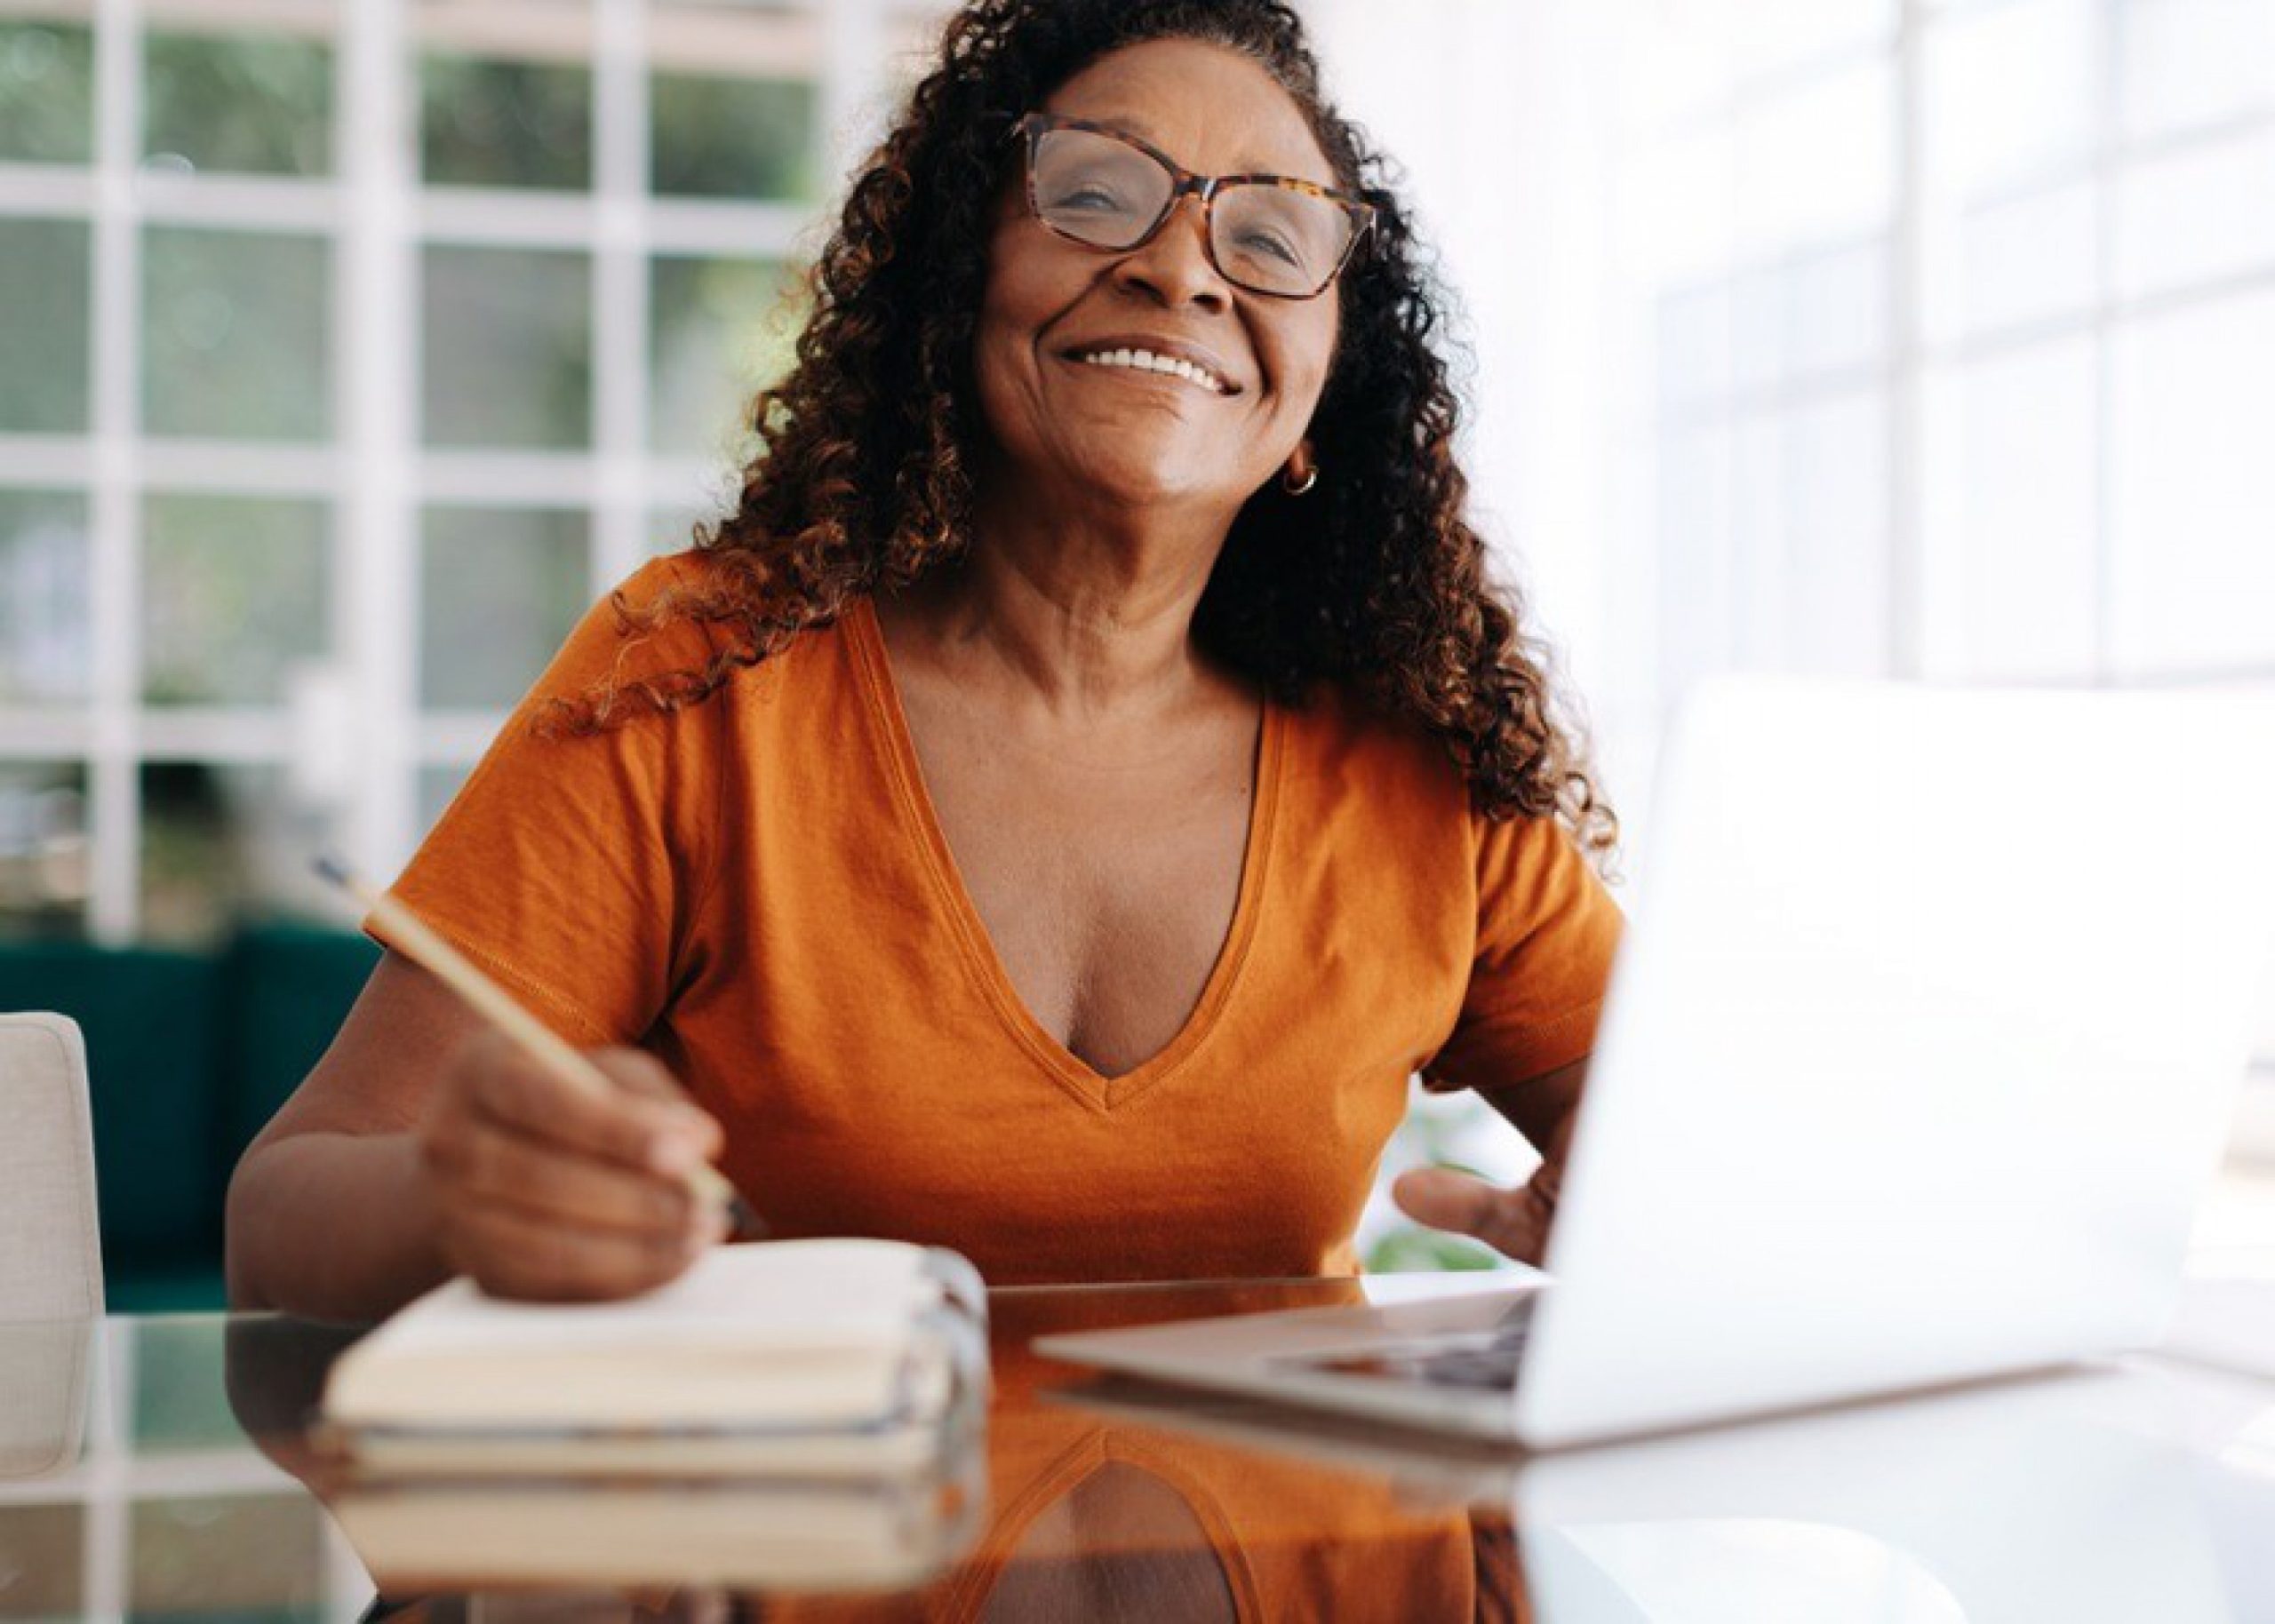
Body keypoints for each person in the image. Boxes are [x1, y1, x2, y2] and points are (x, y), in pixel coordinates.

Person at [225, 0, 1624, 1321]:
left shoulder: (1421, 760)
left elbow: (1716, 1174)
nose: (1181, 266)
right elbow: (280, 1217)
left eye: (1268, 238)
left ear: (1324, 391)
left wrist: (1641, 1228)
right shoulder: (702, 678)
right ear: (955, 286)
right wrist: (455, 1202)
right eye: (1091, 194)